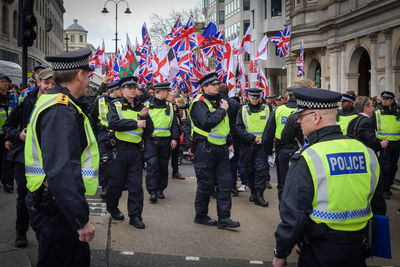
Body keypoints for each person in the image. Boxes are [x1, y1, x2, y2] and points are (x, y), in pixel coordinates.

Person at [273, 87, 380, 267]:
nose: (298, 121)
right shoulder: (367, 152)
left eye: (301, 116)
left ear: (315, 117)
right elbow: (377, 204)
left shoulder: (308, 157)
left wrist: (281, 253)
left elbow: (294, 215)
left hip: (320, 249)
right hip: (359, 247)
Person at [24, 48, 98, 266]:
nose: (87, 81)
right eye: (87, 76)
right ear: (78, 76)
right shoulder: (60, 109)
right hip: (56, 208)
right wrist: (80, 220)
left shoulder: (56, 102)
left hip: (54, 203)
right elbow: (62, 170)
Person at [3, 68, 54, 248]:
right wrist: (19, 135)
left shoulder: (59, 102)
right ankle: (21, 231)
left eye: (52, 83)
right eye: (45, 82)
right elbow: (8, 127)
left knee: (46, 197)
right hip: (24, 158)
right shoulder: (25, 101)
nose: (49, 86)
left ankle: (43, 234)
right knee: (24, 196)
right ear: (38, 82)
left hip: (49, 158)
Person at [189, 72, 240, 229]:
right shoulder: (199, 103)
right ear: (205, 87)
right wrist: (223, 110)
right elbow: (207, 122)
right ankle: (201, 215)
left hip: (222, 148)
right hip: (205, 149)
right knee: (206, 185)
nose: (217, 86)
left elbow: (225, 126)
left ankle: (224, 218)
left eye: (218, 84)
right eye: (214, 84)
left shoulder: (220, 102)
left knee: (225, 184)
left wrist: (229, 141)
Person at [106, 76, 154, 229]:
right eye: (129, 88)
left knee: (135, 186)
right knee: (116, 184)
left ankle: (135, 216)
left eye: (135, 87)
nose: (133, 90)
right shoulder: (116, 105)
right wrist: (136, 123)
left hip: (135, 151)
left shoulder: (141, 106)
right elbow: (113, 123)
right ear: (122, 90)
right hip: (118, 150)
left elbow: (149, 131)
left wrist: (146, 119)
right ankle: (112, 208)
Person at [347, 96, 388, 215]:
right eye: (372, 106)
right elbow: (371, 142)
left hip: (355, 157)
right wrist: (381, 144)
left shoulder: (353, 120)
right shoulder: (366, 121)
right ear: (365, 108)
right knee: (376, 187)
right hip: (367, 158)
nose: (374, 108)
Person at [143, 82, 179, 203]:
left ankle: (160, 189)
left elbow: (174, 124)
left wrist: (174, 138)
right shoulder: (146, 105)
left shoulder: (169, 106)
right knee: (152, 166)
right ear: (161, 92)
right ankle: (152, 191)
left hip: (165, 141)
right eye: (167, 91)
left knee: (163, 167)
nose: (168, 93)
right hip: (151, 140)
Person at [236, 88, 271, 207]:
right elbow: (238, 128)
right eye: (253, 97)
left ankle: (259, 195)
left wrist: (264, 139)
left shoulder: (267, 108)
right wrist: (252, 138)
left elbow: (270, 127)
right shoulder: (242, 110)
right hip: (248, 145)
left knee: (261, 170)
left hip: (262, 146)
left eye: (257, 97)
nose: (255, 100)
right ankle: (253, 192)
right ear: (248, 97)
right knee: (249, 171)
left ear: (260, 97)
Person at [264, 88, 297, 198]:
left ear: (286, 97)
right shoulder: (304, 109)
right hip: (301, 149)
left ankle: (284, 208)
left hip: (283, 149)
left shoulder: (278, 110)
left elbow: (269, 132)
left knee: (283, 182)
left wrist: (268, 152)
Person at [89, 81, 119, 199]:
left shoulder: (121, 102)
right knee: (104, 161)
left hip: (117, 134)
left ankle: (114, 186)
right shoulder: (99, 100)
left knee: (116, 161)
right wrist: (93, 136)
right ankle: (104, 186)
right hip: (103, 134)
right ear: (114, 90)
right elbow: (92, 117)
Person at [371, 90, 400, 199]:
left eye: (387, 99)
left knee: (394, 166)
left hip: (397, 143)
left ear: (392, 100)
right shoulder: (377, 112)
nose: (384, 101)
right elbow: (372, 127)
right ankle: (385, 189)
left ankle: (389, 184)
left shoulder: (398, 111)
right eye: (383, 99)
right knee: (385, 167)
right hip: (384, 144)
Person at [218, 83, 242, 196]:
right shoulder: (235, 103)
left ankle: (219, 185)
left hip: (220, 136)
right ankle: (232, 185)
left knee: (219, 163)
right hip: (234, 136)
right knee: (233, 163)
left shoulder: (217, 103)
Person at [0, 73, 12, 192]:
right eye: (1, 81)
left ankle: (7, 182)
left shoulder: (12, 96)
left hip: (8, 133)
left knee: (7, 158)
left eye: (5, 81)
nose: (4, 84)